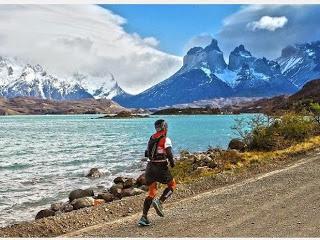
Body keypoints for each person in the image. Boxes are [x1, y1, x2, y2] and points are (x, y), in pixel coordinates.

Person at [138, 119, 176, 226]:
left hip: (150, 167)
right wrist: (172, 163)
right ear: (164, 127)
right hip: (160, 167)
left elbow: (148, 153)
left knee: (152, 192)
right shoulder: (166, 139)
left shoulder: (151, 138)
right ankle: (160, 202)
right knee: (172, 185)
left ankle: (144, 217)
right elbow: (168, 152)